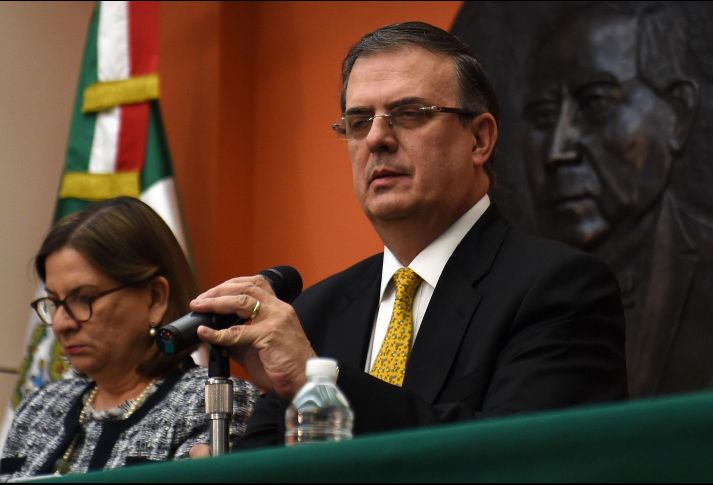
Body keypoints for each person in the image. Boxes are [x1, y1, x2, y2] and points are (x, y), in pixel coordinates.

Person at [191, 21, 627, 450]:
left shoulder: (560, 289)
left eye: (410, 114)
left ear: (479, 140)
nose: (376, 138)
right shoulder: (315, 313)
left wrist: (322, 384)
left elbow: (523, 456)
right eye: (359, 121)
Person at [520, 6, 713, 396]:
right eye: (544, 116)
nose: (558, 150)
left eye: (595, 104)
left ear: (678, 115)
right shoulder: (497, 298)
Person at [1, 197, 259, 479]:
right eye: (54, 302)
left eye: (84, 298)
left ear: (155, 298)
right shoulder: (40, 406)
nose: (62, 324)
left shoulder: (210, 401)